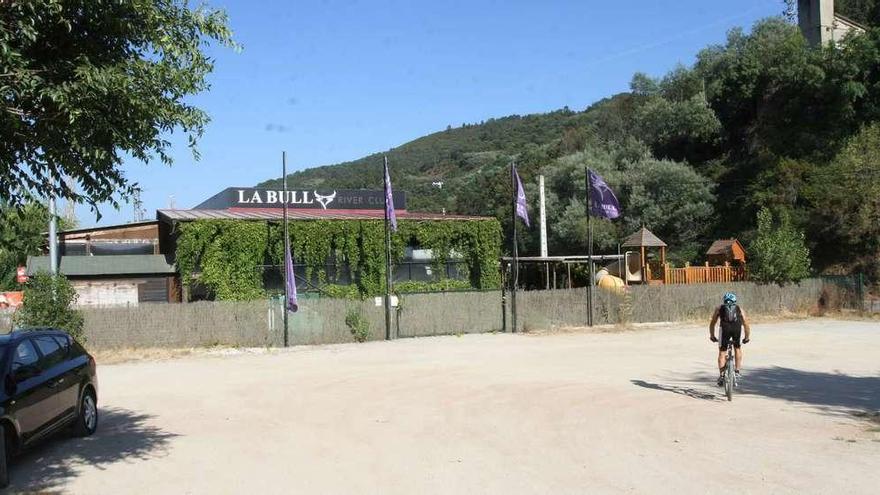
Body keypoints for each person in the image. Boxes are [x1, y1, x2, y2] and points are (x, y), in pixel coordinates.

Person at [709, 292, 751, 386]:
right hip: (737, 329)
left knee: (722, 352)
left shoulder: (719, 308)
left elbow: (712, 323)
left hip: (724, 329)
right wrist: (746, 337)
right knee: (737, 348)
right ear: (735, 301)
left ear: (724, 301)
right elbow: (746, 324)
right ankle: (737, 371)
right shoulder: (740, 309)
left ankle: (722, 376)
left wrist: (712, 336)